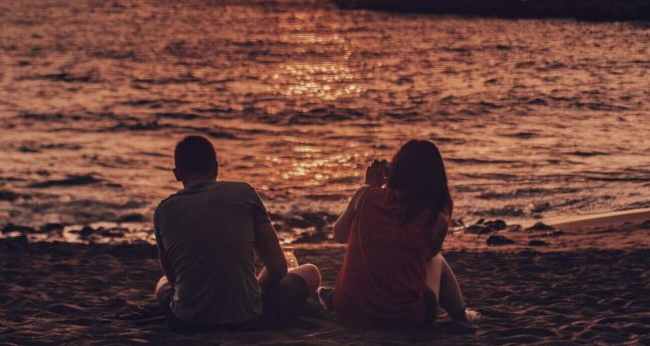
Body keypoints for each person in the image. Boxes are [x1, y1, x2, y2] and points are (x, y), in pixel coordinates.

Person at [153, 135, 321, 333]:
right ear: (216, 167)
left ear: (177, 174)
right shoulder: (244, 193)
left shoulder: (163, 210)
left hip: (187, 324)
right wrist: (256, 291)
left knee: (162, 283)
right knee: (310, 272)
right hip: (249, 320)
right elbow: (277, 269)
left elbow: (174, 280)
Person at [324, 139, 476, 329]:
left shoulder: (365, 195)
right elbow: (426, 256)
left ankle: (462, 313)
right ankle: (461, 314)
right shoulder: (436, 220)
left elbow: (339, 235)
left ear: (396, 170)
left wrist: (370, 186)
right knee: (435, 259)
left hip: (348, 312)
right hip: (406, 319)